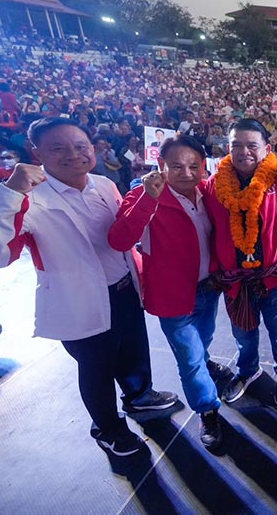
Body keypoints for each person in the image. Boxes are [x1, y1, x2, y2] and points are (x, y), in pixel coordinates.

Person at [0, 117, 177, 456]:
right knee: (96, 370)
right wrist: (9, 193)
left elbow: (123, 233)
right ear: (37, 153)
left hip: (123, 289)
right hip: (78, 301)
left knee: (134, 352)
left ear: (92, 148)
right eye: (58, 148)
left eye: (80, 146)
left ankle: (140, 396)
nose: (73, 155)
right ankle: (108, 429)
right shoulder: (28, 199)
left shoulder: (103, 184)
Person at [108, 135, 231, 450]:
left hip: (208, 288)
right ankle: (207, 410)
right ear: (160, 165)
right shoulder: (143, 195)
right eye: (177, 166)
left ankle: (206, 362)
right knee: (189, 360)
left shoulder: (208, 192)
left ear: (203, 166)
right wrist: (148, 199)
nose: (186, 173)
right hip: (172, 297)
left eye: (194, 166)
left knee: (202, 342)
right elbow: (120, 240)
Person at [201, 77, 277, 406]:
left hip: (275, 279)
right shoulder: (214, 186)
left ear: (267, 150)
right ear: (228, 148)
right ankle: (247, 371)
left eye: (251, 145)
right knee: (243, 335)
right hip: (236, 280)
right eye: (236, 145)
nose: (243, 151)